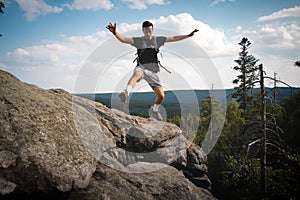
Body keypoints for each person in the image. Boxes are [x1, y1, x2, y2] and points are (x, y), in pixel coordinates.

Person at [106, 21, 198, 120]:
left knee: (161, 96)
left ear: (152, 30)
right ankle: (126, 92)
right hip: (141, 67)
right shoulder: (139, 41)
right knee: (136, 74)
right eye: (146, 31)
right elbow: (124, 39)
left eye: (149, 31)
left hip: (153, 71)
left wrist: (188, 35)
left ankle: (154, 110)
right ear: (143, 31)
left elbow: (173, 38)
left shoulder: (157, 40)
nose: (148, 33)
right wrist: (115, 33)